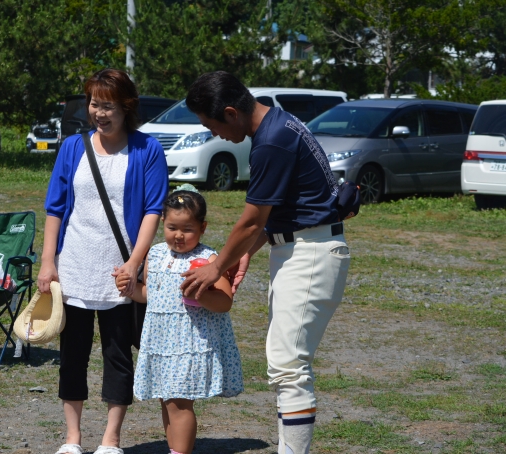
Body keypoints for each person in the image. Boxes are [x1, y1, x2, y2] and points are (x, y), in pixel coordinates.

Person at [181, 71, 351, 454]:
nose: (214, 134)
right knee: (287, 364)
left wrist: (215, 266)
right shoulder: (278, 123)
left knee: (289, 367)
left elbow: (252, 220)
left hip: (309, 253)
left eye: (211, 125)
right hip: (302, 248)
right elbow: (279, 212)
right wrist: (244, 254)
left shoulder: (271, 141)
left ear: (231, 112)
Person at [37, 68, 169, 454]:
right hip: (74, 265)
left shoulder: (147, 149)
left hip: (120, 271)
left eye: (108, 106)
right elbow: (55, 208)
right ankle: (72, 438)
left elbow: (153, 210)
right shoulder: (72, 147)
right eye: (94, 104)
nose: (99, 113)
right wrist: (48, 261)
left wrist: (134, 264)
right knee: (72, 355)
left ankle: (111, 439)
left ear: (127, 108)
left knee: (118, 354)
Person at [115, 186, 243, 454]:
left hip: (189, 343)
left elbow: (225, 302)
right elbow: (150, 293)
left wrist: (201, 295)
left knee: (179, 402)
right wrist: (128, 287)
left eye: (188, 229)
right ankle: (175, 448)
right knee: (167, 400)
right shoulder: (156, 254)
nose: (179, 235)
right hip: (162, 341)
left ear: (203, 227)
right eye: (172, 227)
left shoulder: (209, 260)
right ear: (163, 222)